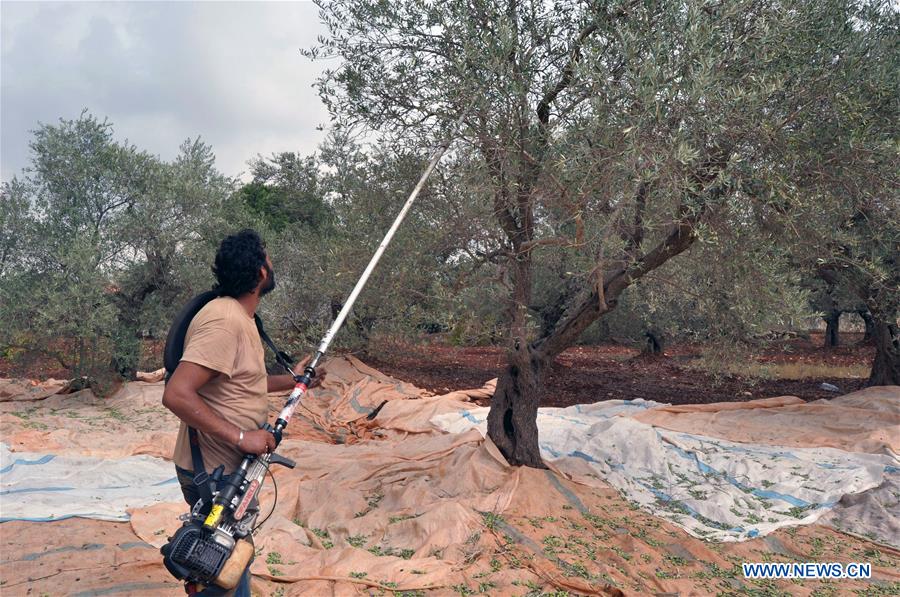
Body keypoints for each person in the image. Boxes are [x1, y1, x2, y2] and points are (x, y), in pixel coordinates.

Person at [162, 229, 320, 596]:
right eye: (268, 257)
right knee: (216, 567)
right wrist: (241, 437)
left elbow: (243, 382)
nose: (272, 264)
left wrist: (295, 381)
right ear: (260, 273)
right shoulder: (224, 321)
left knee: (228, 566)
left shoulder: (243, 318)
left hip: (234, 471)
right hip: (216, 474)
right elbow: (177, 394)